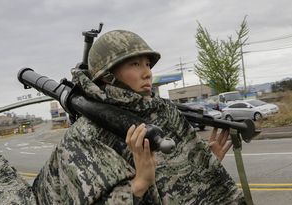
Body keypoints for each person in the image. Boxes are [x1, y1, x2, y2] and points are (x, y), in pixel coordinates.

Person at [32, 30, 245, 204]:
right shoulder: (85, 137)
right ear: (107, 76)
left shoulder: (162, 111)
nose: (147, 73)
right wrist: (140, 183)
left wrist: (203, 164)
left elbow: (178, 187)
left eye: (147, 64)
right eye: (135, 64)